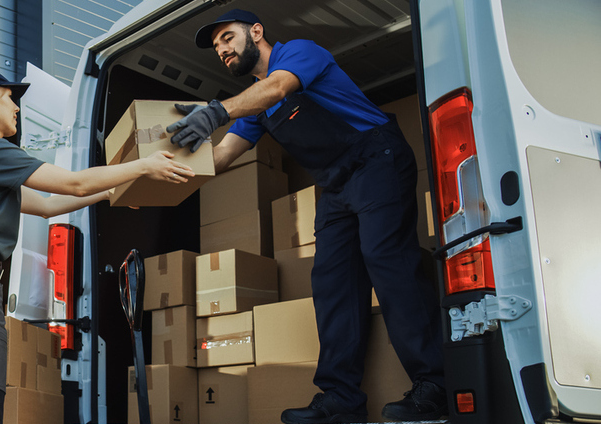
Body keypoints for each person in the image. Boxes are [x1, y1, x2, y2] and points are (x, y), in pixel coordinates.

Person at [169, 9, 447, 424]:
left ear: (256, 32)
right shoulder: (253, 102)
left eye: (227, 37)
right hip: (336, 184)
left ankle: (435, 385)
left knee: (387, 262)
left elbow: (279, 88)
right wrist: (159, 178)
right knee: (332, 281)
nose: (223, 49)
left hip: (377, 160)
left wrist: (216, 112)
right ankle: (341, 399)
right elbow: (223, 154)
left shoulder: (298, 54)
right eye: (217, 47)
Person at [0, 66, 194, 424]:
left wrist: (111, 192)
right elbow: (74, 184)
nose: (17, 108)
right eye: (11, 98)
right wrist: (142, 166)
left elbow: (46, 205)